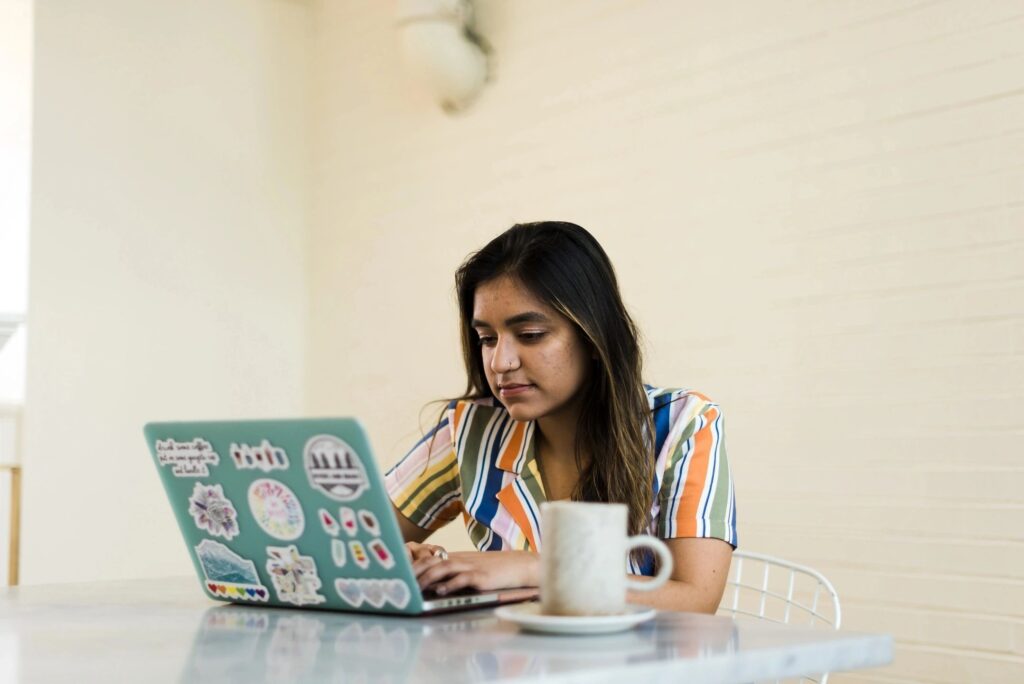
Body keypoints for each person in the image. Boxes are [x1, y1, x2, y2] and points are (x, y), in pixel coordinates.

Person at [384, 221, 736, 613]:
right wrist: (403, 561)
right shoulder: (468, 431)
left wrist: (536, 569)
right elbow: (345, 550)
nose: (501, 362)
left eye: (531, 334)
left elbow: (696, 599)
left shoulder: (682, 424)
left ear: (593, 337)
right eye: (487, 339)